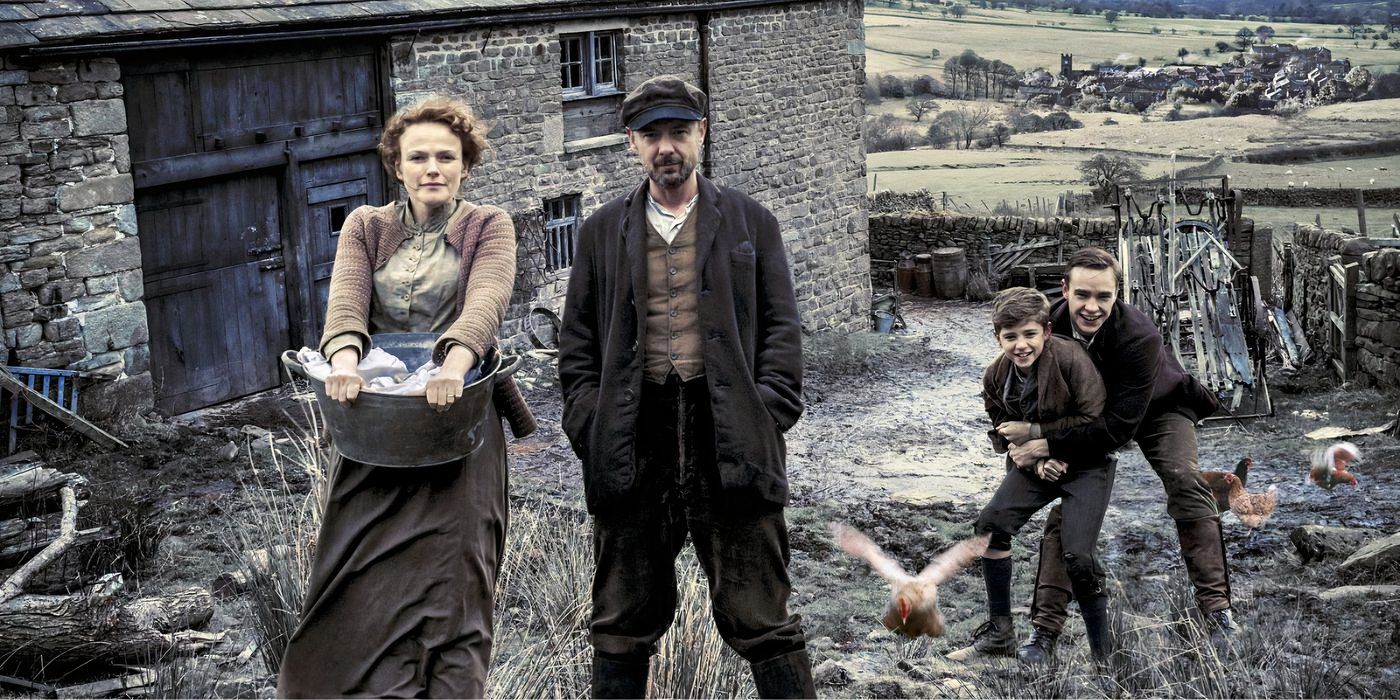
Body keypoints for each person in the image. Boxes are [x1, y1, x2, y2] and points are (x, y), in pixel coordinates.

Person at [558, 75, 815, 699]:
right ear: (631, 144)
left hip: (729, 433)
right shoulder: (600, 230)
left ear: (702, 133)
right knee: (621, 617)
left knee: (762, 614)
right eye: (651, 136)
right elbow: (579, 341)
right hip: (631, 435)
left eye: (678, 131)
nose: (665, 147)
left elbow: (782, 326)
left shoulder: (751, 221)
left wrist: (769, 409)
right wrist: (590, 424)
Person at [278, 95, 534, 698]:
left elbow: (487, 301)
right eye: (418, 156)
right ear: (397, 165)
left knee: (453, 591)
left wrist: (456, 364)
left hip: (460, 425)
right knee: (354, 578)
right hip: (380, 428)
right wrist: (343, 364)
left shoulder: (488, 226)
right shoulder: (366, 226)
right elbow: (345, 304)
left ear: (466, 165)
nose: (432, 168)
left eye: (447, 156)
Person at [1009, 246, 1231, 665]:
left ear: (1117, 295)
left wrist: (1053, 444)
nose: (1092, 307)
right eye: (1082, 295)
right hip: (1083, 417)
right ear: (1065, 290)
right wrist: (1037, 453)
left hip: (1154, 408)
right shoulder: (1041, 325)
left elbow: (1119, 428)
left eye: (1103, 297)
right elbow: (1020, 393)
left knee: (1186, 479)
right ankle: (1044, 632)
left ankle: (1217, 612)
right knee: (1071, 505)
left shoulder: (1139, 334)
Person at [948, 287, 1116, 663]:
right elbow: (1003, 428)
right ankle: (999, 635)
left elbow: (1095, 422)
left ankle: (1104, 656)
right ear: (998, 338)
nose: (1021, 345)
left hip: (1088, 462)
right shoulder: (995, 376)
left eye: (1029, 334)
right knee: (992, 524)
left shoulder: (1072, 359)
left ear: (1047, 332)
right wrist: (1037, 461)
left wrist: (1048, 444)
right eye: (1010, 337)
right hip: (1037, 465)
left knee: (1077, 556)